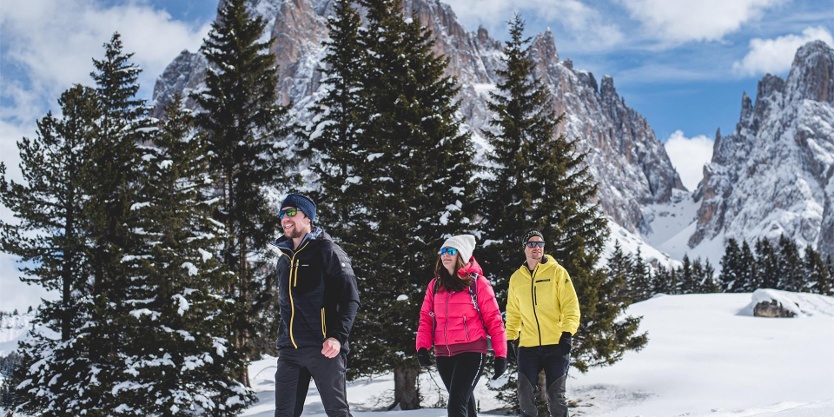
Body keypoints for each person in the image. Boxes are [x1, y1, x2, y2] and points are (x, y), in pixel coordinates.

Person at [271, 193, 360, 417]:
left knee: (337, 412)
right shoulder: (284, 260)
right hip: (289, 350)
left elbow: (350, 298)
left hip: (324, 349)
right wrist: (283, 340)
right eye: (282, 214)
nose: (285, 218)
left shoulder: (327, 250)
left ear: (307, 218)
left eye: (291, 212)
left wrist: (337, 337)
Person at [416, 234, 508, 417]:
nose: (445, 255)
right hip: (443, 353)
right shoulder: (435, 285)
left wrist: (501, 355)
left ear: (462, 256)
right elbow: (426, 318)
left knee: (456, 406)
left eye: (451, 251)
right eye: (443, 251)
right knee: (465, 405)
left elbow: (494, 320)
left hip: (471, 351)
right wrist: (422, 347)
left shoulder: (478, 283)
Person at [505, 230, 580, 417]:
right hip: (528, 347)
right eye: (531, 244)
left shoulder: (557, 272)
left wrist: (567, 333)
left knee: (556, 396)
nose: (536, 247)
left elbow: (570, 305)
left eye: (540, 243)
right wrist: (509, 338)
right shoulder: (516, 278)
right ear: (524, 248)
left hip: (556, 344)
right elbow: (513, 312)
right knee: (524, 395)